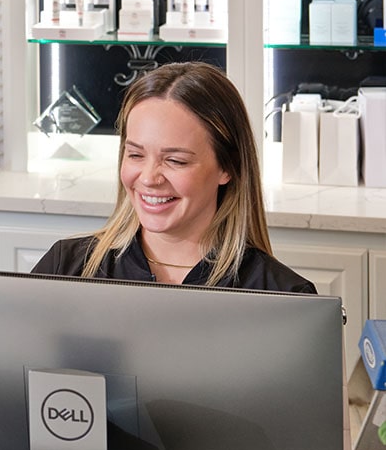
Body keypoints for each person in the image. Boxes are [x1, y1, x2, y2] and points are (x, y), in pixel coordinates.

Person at [32, 61, 315, 293]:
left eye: (175, 160)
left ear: (227, 167)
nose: (149, 178)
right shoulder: (66, 269)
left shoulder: (284, 298)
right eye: (135, 155)